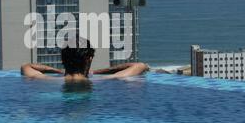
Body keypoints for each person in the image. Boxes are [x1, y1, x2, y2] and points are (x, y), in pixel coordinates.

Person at [21, 37, 149, 80]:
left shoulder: (46, 80)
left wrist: (58, 72)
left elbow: (26, 66)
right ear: (89, 59)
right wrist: (97, 72)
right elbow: (140, 66)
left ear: (63, 59)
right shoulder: (104, 80)